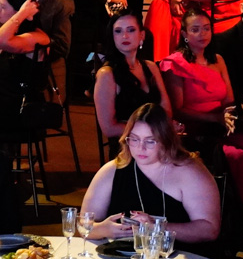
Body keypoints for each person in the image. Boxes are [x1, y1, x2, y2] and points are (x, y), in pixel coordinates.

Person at [160, 7, 243, 229]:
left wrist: (227, 116)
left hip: (222, 125)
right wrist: (216, 118)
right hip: (194, 130)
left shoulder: (217, 60)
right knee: (238, 156)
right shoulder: (174, 64)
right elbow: (177, 110)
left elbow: (229, 100)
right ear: (184, 34)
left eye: (206, 28)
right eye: (195, 29)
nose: (202, 34)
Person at [82, 103, 221, 246]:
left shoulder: (190, 171)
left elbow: (210, 230)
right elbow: (83, 225)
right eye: (134, 139)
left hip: (177, 255)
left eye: (150, 141)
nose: (140, 148)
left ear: (166, 140)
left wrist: (157, 227)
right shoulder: (111, 170)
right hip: (123, 255)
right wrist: (102, 229)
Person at [0, 0, 53, 231]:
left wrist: (20, 15)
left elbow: (3, 41)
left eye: (3, 8)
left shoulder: (38, 37)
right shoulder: (9, 32)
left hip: (20, 114)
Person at [94, 10, 171, 145]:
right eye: (118, 31)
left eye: (131, 30)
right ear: (112, 37)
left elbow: (167, 111)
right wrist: (152, 131)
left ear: (142, 35)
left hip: (157, 142)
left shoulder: (151, 67)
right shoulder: (107, 74)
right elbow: (109, 129)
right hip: (127, 147)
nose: (124, 36)